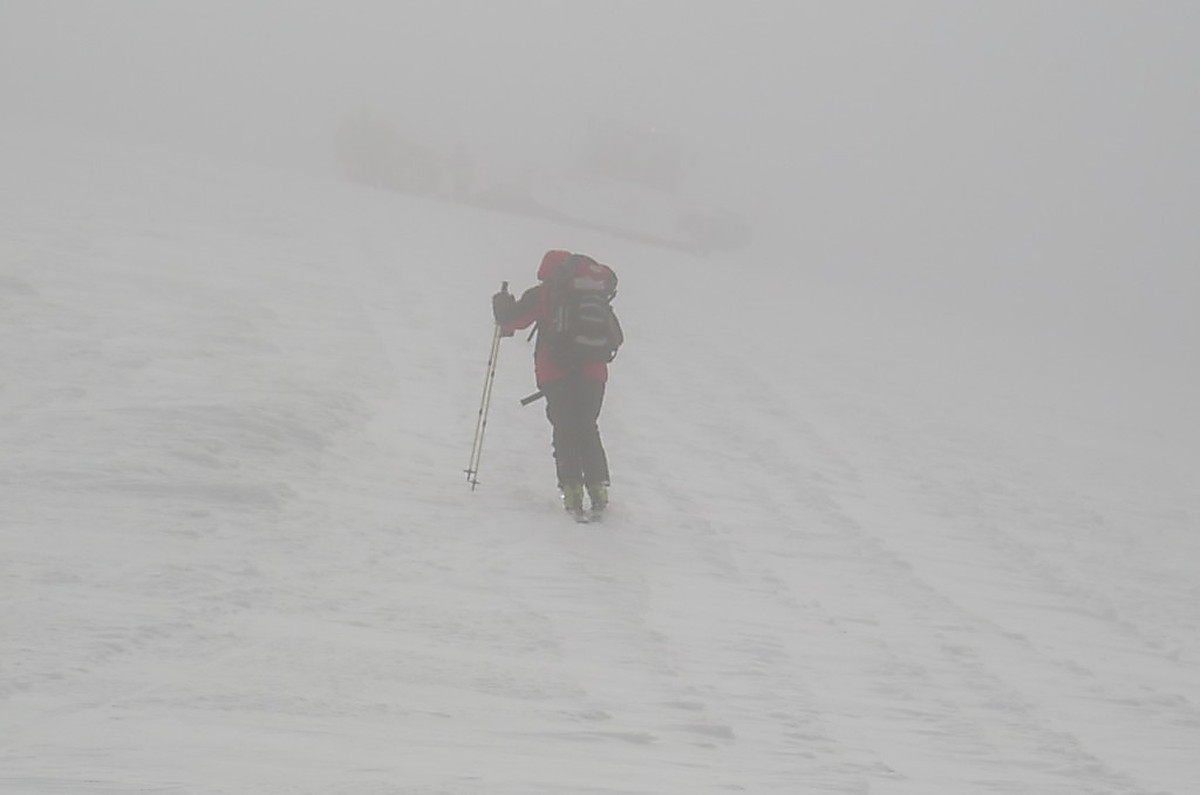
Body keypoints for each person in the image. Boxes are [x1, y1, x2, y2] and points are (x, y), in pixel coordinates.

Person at [492, 249, 615, 515]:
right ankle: (598, 489)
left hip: (557, 373)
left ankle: (571, 491)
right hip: (594, 374)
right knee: (587, 427)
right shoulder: (594, 295)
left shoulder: (546, 293)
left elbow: (514, 319)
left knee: (565, 430)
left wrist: (501, 303)